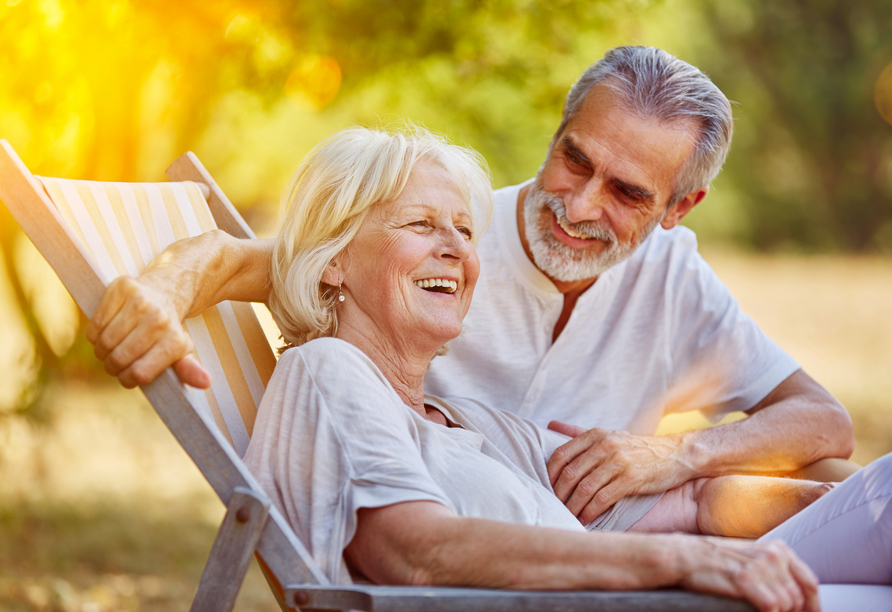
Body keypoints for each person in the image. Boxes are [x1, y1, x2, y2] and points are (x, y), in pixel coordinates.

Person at [85, 46, 857, 526]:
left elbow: (821, 420)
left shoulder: (673, 279)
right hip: (493, 556)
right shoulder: (445, 243)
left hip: (612, 536)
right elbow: (238, 260)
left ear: (678, 208)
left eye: (626, 193)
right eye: (575, 159)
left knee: (827, 479)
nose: (580, 206)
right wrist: (158, 288)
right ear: (557, 134)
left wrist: (678, 456)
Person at [242, 125, 891, 612]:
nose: (455, 249)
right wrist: (679, 562)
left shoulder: (467, 425)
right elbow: (416, 553)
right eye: (420, 224)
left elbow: (695, 503)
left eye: (466, 232)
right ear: (332, 259)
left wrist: (841, 508)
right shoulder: (327, 372)